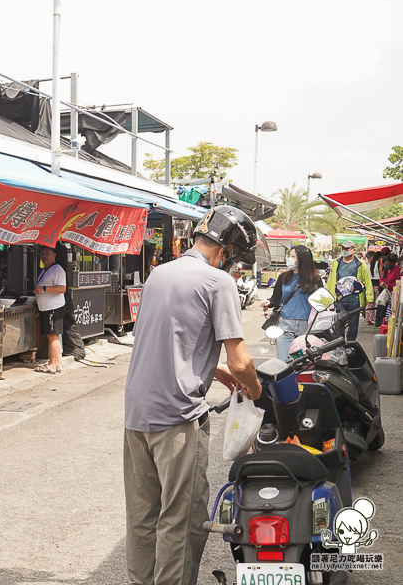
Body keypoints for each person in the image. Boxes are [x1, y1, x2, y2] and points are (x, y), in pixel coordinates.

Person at [123, 205, 262, 585]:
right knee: (181, 519)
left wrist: (206, 366)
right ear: (228, 250)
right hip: (178, 417)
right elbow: (240, 362)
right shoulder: (218, 282)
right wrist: (255, 387)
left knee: (142, 516)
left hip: (137, 412)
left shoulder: (159, 274)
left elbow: (168, 337)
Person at [261, 245, 323, 361]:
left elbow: (321, 303)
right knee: (284, 362)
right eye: (289, 256)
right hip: (285, 324)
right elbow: (276, 299)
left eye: (293, 256)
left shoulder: (315, 279)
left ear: (302, 260)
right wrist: (268, 302)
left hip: (307, 326)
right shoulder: (283, 277)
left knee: (302, 362)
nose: (289, 259)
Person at [326, 240, 374, 341]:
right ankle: (341, 344)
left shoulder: (360, 264)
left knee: (353, 324)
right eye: (343, 248)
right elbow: (331, 280)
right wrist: (329, 296)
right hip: (340, 300)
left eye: (347, 248)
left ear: (353, 250)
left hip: (355, 300)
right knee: (340, 324)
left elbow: (367, 281)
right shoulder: (336, 262)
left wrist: (370, 298)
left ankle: (350, 344)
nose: (344, 250)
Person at [33, 245, 67, 374]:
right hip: (46, 307)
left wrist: (45, 289)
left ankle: (52, 364)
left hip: (53, 307)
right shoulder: (45, 270)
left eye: (47, 253)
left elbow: (62, 289)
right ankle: (56, 363)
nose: (44, 256)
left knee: (53, 336)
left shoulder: (57, 270)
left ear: (54, 255)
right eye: (42, 253)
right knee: (51, 335)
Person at [376, 253, 401, 325]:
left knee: (388, 308)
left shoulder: (397, 270)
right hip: (385, 292)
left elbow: (398, 281)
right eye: (385, 265)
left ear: (392, 263)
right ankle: (380, 321)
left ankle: (386, 322)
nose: (386, 266)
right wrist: (382, 283)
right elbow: (381, 279)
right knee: (381, 306)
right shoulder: (385, 270)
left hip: (393, 292)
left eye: (388, 264)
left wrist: (389, 285)